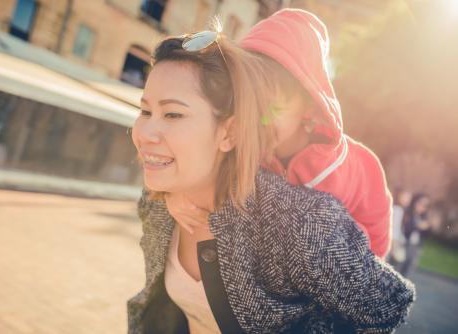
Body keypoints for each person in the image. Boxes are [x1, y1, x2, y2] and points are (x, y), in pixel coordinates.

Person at [127, 27, 415, 333]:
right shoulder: (158, 201)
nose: (143, 134)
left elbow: (385, 304)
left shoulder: (301, 218)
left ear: (230, 132)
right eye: (144, 110)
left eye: (173, 114)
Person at [169, 9, 393, 259]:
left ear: (309, 106)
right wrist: (178, 195)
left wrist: (336, 246)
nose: (259, 121)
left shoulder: (358, 166)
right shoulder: (237, 143)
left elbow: (376, 242)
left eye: (274, 109)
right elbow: (200, 170)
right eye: (251, 104)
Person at [400, 193, 431, 277]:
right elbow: (404, 228)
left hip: (416, 246)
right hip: (404, 244)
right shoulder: (408, 212)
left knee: (408, 270)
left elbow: (427, 234)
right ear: (415, 202)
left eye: (425, 205)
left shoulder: (424, 217)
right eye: (420, 203)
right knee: (399, 267)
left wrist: (426, 227)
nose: (422, 207)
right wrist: (416, 225)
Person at [388, 189, 412, 271]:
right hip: (392, 243)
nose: (408, 200)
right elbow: (395, 228)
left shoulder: (397, 208)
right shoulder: (398, 209)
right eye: (405, 197)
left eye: (409, 198)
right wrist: (394, 245)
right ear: (399, 196)